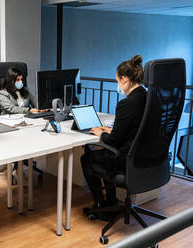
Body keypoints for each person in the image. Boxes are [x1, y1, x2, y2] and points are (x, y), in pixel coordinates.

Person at [81, 55, 147, 220]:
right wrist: (112, 131)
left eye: (117, 81)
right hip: (142, 155)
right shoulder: (146, 97)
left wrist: (101, 133)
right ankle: (110, 200)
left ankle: (101, 205)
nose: (118, 85)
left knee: (86, 157)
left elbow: (114, 141)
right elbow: (134, 129)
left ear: (124, 79)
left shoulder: (126, 103)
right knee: (103, 155)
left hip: (125, 158)